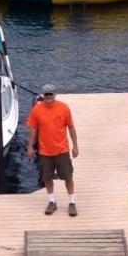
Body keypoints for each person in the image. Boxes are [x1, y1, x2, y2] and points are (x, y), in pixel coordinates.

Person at [26, 84, 79, 216]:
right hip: (45, 152)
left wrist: (75, 146)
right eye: (46, 94)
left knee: (68, 177)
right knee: (47, 177)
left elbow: (71, 127)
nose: (48, 96)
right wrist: (30, 146)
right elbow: (32, 129)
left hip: (62, 150)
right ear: (43, 95)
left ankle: (72, 202)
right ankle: (52, 201)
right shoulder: (37, 110)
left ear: (55, 94)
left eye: (51, 94)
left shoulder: (64, 108)